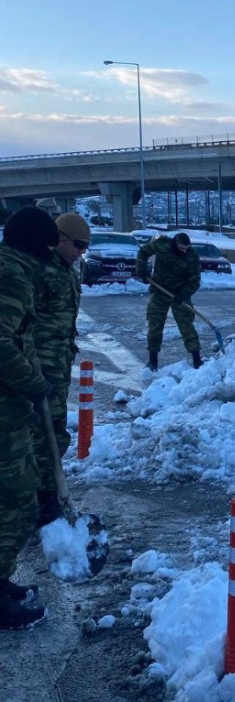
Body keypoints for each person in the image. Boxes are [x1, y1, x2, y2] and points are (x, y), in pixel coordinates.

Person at [0, 207, 60, 630]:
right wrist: (32, 383)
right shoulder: (14, 275)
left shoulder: (10, 267)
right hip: (4, 411)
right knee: (19, 501)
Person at [32, 213, 91, 527]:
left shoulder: (68, 269)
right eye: (78, 245)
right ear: (60, 238)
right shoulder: (38, 269)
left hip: (58, 363)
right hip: (35, 366)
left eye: (85, 247)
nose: (81, 252)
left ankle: (47, 495)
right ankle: (42, 502)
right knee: (40, 434)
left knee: (55, 431)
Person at [136, 232, 203, 370]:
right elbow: (143, 252)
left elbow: (195, 281)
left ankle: (197, 360)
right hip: (159, 292)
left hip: (179, 295)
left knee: (187, 326)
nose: (184, 251)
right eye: (181, 248)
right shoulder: (161, 245)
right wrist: (141, 270)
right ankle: (152, 361)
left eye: (186, 248)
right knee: (155, 326)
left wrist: (184, 294)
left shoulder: (191, 256)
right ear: (174, 244)